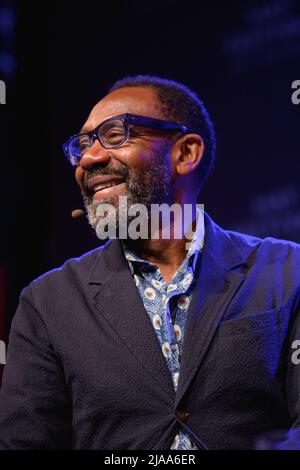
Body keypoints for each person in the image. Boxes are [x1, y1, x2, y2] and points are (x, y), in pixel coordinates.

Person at [0, 75, 300, 450]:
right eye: (82, 146)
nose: (89, 159)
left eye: (114, 135)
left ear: (186, 153)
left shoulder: (288, 270)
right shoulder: (48, 302)